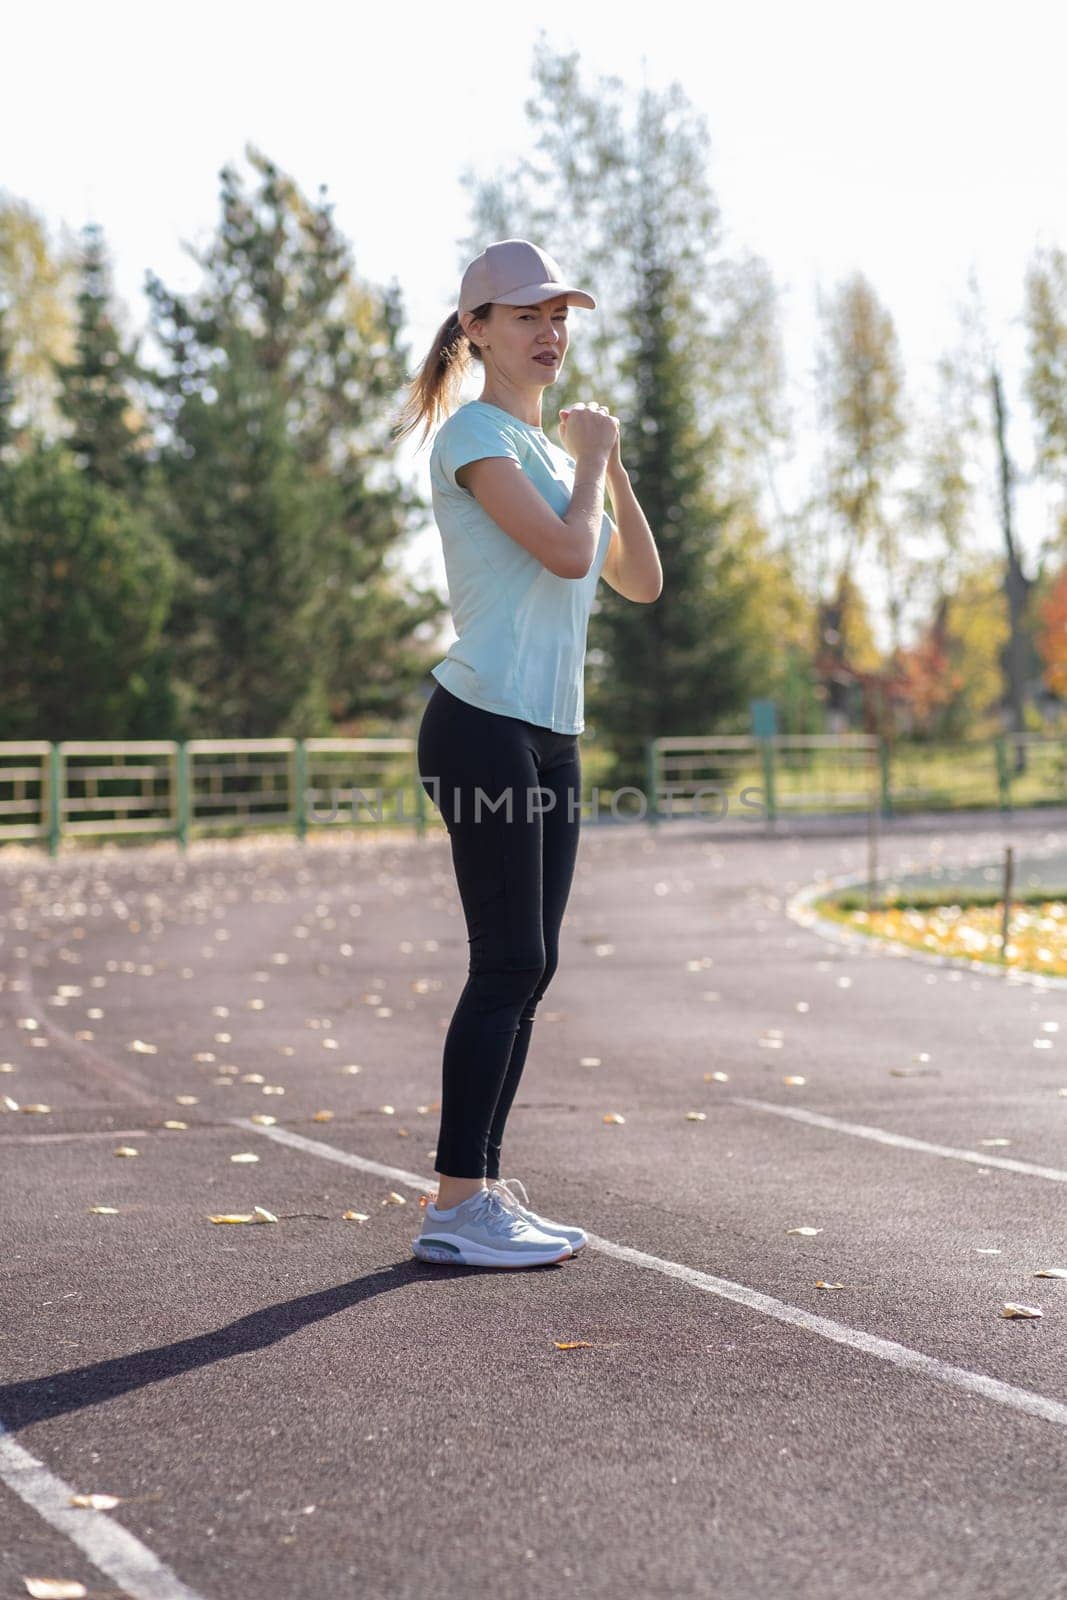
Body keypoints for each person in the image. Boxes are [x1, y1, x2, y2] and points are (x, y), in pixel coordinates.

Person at [392, 239, 661, 1269]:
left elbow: (639, 581)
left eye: (559, 315)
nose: (547, 331)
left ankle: (481, 1187)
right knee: (505, 958)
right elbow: (559, 551)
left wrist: (608, 465)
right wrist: (588, 462)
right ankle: (455, 1202)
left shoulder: (558, 457)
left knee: (531, 962)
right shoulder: (473, 435)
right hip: (482, 724)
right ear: (476, 330)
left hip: (551, 736)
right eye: (522, 315)